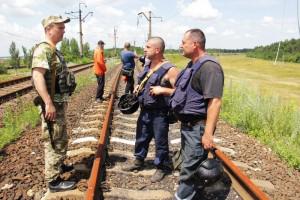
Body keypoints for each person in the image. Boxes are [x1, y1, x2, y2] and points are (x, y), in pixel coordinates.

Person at [170, 29, 224, 199]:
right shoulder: (192, 64)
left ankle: (182, 197)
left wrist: (208, 134)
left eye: (183, 42)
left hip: (197, 128)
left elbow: (214, 101)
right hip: (187, 127)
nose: (180, 45)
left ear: (195, 44)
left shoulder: (209, 67)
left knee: (190, 170)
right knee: (188, 164)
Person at [122, 37, 179, 183]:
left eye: (148, 47)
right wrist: (139, 87)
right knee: (141, 136)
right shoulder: (148, 65)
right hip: (145, 110)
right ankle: (138, 160)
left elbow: (181, 93)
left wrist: (163, 89)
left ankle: (161, 167)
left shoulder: (170, 70)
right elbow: (145, 81)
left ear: (157, 50)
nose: (144, 49)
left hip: (160, 113)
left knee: (160, 141)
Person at [31, 15, 76, 193]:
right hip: (52, 105)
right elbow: (37, 76)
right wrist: (48, 103)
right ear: (49, 29)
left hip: (58, 103)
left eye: (63, 27)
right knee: (53, 140)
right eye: (60, 27)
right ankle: (53, 181)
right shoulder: (43, 50)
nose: (64, 30)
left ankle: (59, 165)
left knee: (60, 137)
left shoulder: (54, 50)